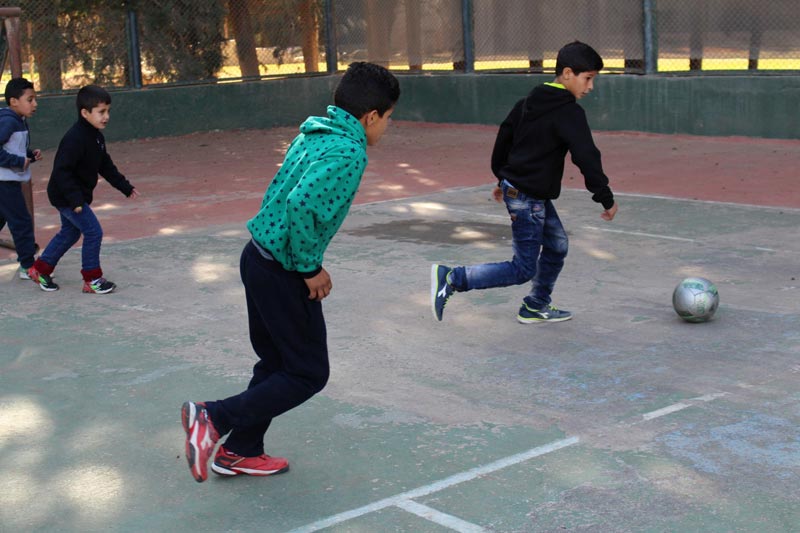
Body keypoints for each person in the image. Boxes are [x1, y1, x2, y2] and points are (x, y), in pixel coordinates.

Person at [181, 62, 400, 483]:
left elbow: (280, 190)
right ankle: (211, 416)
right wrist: (309, 268)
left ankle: (240, 450)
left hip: (257, 256)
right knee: (307, 372)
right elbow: (300, 204)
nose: (388, 127)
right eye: (389, 118)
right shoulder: (349, 151)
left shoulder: (316, 131)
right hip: (281, 269)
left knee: (277, 361)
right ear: (371, 117)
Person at [432, 41, 618, 324]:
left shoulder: (529, 102)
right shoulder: (569, 112)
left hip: (526, 192)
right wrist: (605, 196)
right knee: (522, 268)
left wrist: (502, 176)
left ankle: (535, 305)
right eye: (588, 78)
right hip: (528, 198)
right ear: (568, 73)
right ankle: (453, 278)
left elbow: (506, 137)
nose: (590, 87)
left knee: (557, 246)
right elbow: (586, 156)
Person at [30, 85, 138, 293]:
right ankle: (92, 279)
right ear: (85, 113)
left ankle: (40, 269)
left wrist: (124, 186)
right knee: (93, 231)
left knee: (70, 233)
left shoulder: (96, 136)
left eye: (108, 111)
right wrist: (75, 201)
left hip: (73, 196)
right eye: (101, 112)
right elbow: (62, 171)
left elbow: (105, 165)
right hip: (66, 195)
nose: (106, 116)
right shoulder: (75, 139)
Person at [0, 77, 41, 281]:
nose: (34, 104)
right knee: (22, 221)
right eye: (30, 99)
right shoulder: (8, 121)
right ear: (14, 101)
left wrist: (29, 155)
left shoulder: (17, 120)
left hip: (7, 180)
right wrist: (18, 161)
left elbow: (12, 148)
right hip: (4, 182)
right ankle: (28, 265)